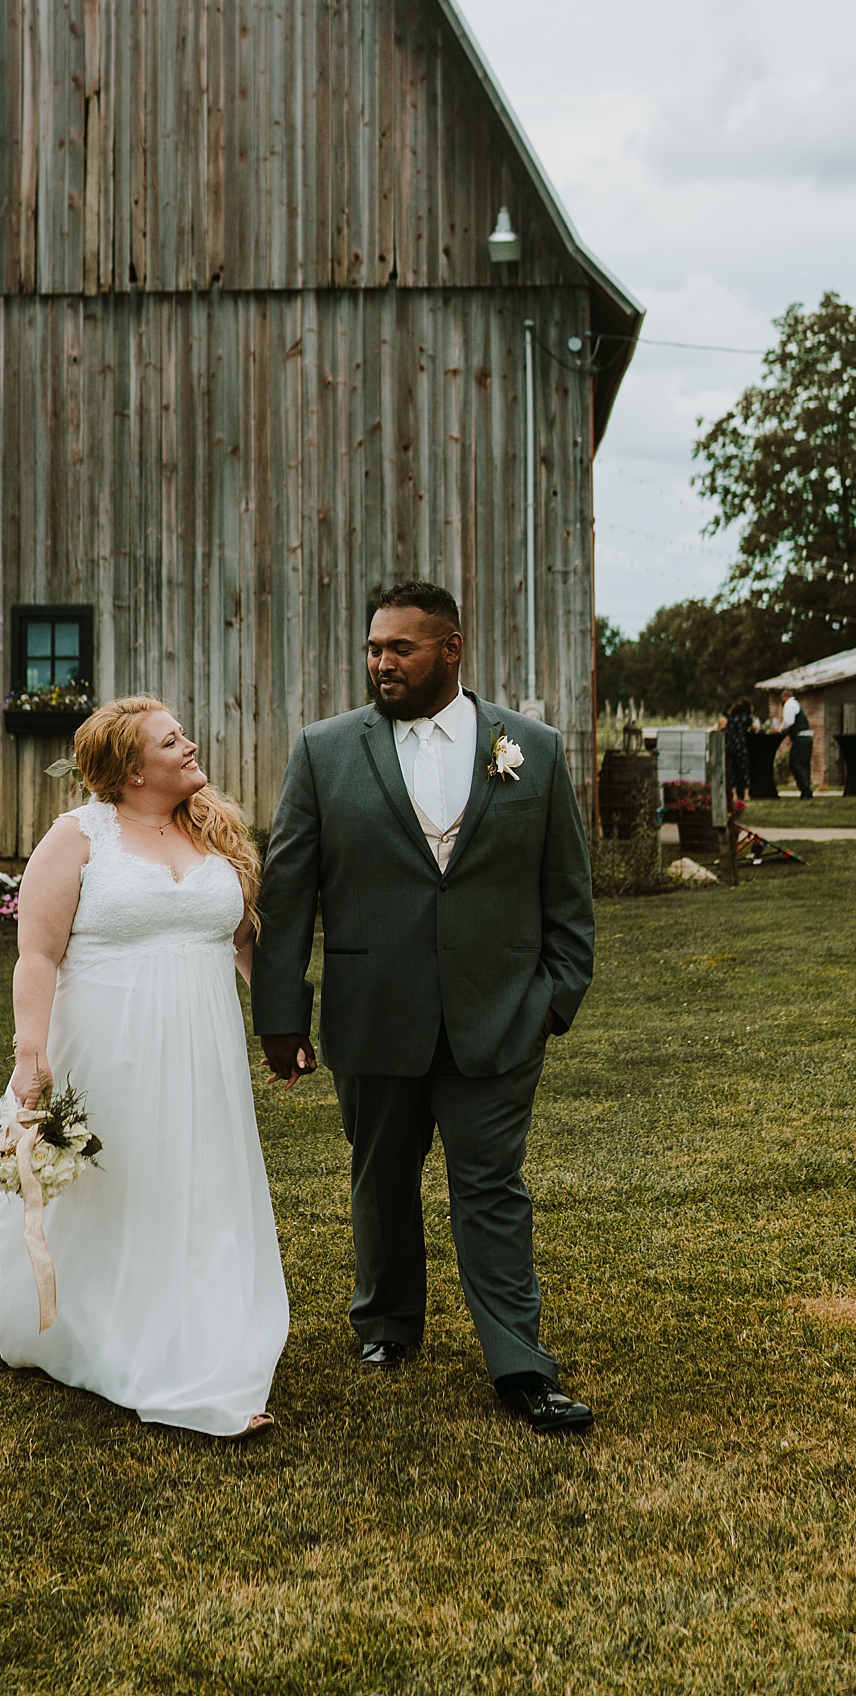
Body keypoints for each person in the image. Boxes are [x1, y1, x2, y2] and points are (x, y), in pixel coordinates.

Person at [253, 579, 596, 1435]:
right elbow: (289, 892)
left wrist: (554, 998)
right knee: (381, 1182)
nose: (381, 663)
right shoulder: (325, 751)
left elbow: (568, 890)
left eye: (399, 648)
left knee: (492, 1190)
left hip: (501, 1014)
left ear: (450, 648)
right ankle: (387, 1325)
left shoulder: (535, 749)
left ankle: (520, 1363)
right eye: (373, 648)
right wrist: (281, 1014)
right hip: (374, 1010)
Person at [0, 695, 288, 1438]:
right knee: (110, 1195)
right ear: (134, 771)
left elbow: (241, 943)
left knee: (200, 1189)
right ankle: (96, 1328)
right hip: (105, 1050)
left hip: (203, 1052)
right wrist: (29, 1057)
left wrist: (281, 1026)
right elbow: (36, 953)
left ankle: (204, 1345)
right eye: (173, 742)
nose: (192, 747)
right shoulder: (75, 839)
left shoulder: (215, 832)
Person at [779, 690, 814, 800]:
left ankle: (805, 789)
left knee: (795, 763)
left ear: (784, 697)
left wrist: (780, 729)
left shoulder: (789, 705)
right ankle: (806, 790)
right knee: (804, 764)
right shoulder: (796, 704)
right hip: (807, 737)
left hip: (801, 737)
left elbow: (789, 721)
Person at [724, 695, 753, 806]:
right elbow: (753, 727)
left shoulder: (731, 718)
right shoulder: (746, 718)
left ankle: (734, 794)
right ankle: (746, 794)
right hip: (741, 745)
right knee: (744, 769)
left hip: (731, 745)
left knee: (733, 770)